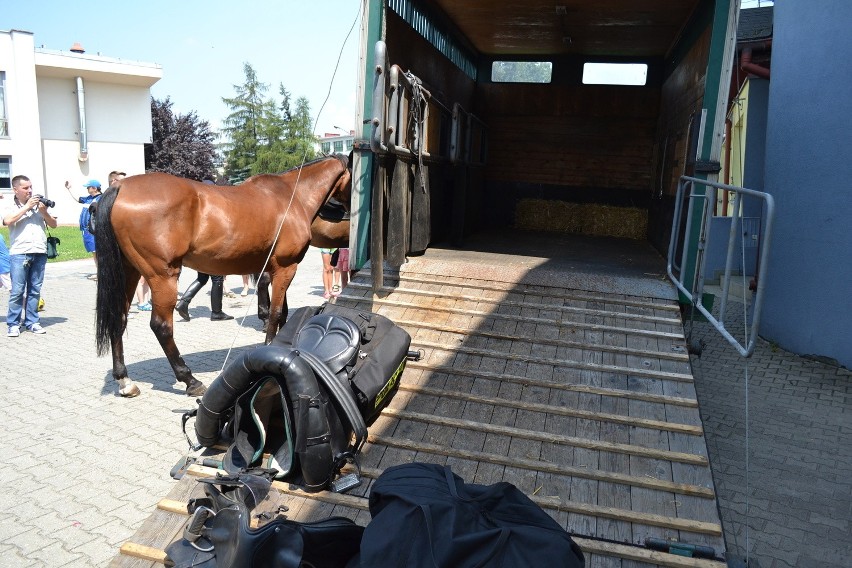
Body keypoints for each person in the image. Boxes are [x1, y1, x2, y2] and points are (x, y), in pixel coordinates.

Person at [3, 175, 58, 336]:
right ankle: (13, 324)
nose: (29, 191)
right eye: (25, 188)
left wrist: (44, 212)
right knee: (18, 291)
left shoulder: (39, 205)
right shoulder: (9, 205)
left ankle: (32, 322)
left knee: (35, 290)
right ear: (15, 189)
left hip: (39, 252)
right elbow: (8, 221)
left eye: (30, 187)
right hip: (20, 253)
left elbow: (53, 225)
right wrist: (27, 207)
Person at [173, 179, 234, 322]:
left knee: (202, 278)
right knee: (217, 278)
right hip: (211, 249)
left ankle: (183, 302)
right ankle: (217, 312)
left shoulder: (202, 207)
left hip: (201, 249)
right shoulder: (214, 206)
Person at [64, 178, 102, 276]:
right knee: (94, 252)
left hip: (94, 230)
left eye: (88, 187)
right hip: (86, 230)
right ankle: (99, 272)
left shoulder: (101, 198)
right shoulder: (89, 198)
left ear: (94, 188)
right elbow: (78, 199)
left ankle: (101, 274)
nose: (87, 189)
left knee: (97, 252)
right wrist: (69, 189)